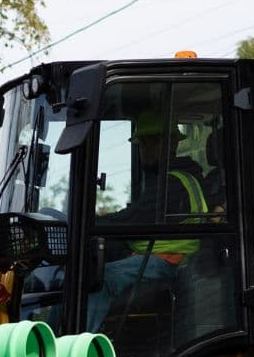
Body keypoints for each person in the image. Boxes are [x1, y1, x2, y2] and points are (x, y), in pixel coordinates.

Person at [87, 101, 218, 329]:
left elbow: (132, 220)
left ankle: (77, 347)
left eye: (150, 142)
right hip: (166, 257)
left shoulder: (172, 182)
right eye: (142, 144)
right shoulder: (184, 175)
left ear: (169, 144)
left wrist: (88, 225)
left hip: (167, 261)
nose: (143, 150)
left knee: (99, 279)